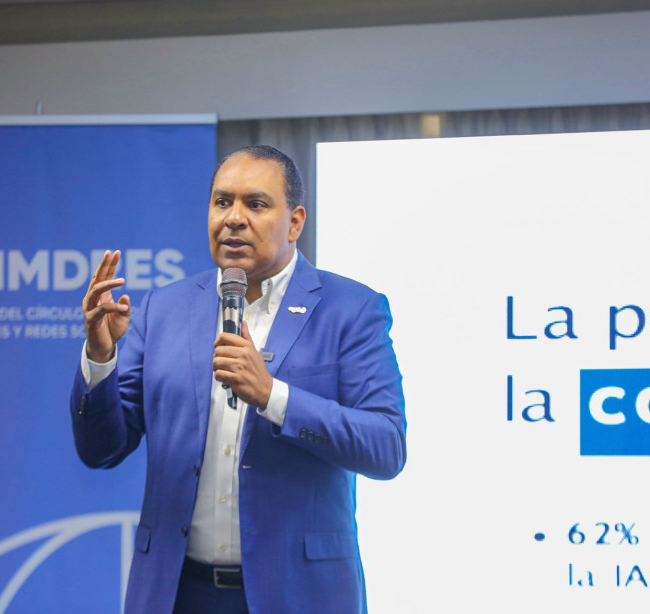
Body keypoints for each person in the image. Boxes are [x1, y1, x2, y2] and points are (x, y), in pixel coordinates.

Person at [70, 145, 406, 614]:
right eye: (222, 202)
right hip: (177, 593)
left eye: (256, 204)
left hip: (298, 594)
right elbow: (101, 449)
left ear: (294, 222)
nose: (234, 218)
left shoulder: (351, 309)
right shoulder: (164, 308)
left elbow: (386, 447)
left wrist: (273, 396)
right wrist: (101, 356)